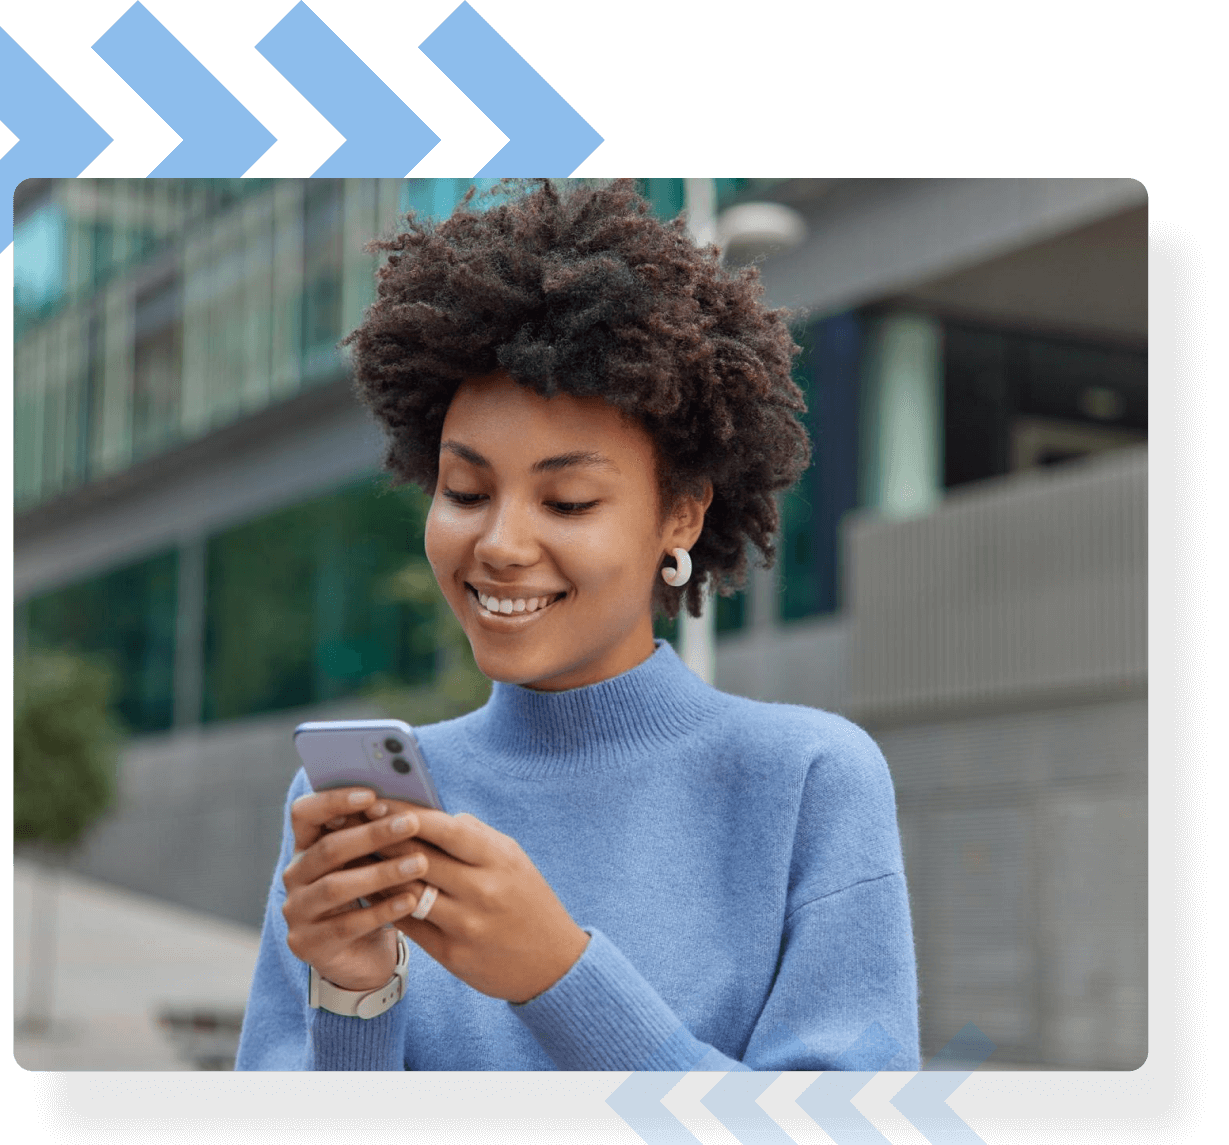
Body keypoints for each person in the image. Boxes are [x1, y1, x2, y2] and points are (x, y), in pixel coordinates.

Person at [234, 179, 920, 1072]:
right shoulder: (360, 809)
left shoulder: (808, 782)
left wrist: (560, 976)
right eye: (466, 491)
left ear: (680, 517)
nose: (501, 543)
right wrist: (355, 997)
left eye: (567, 499)